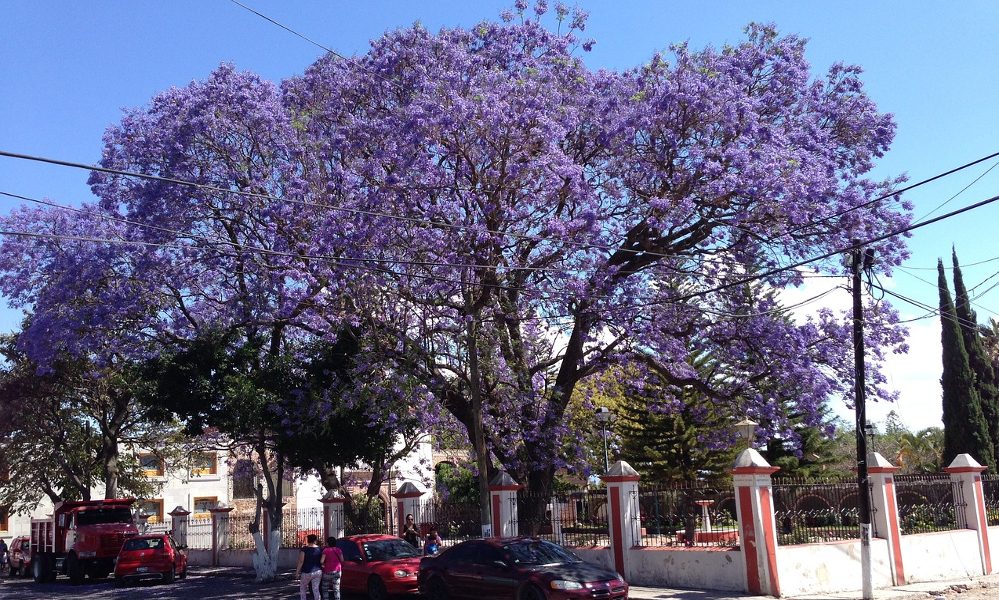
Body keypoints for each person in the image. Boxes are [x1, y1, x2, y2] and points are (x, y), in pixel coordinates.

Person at [296, 534, 323, 600]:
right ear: (315, 540)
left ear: (308, 540)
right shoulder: (320, 549)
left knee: (303, 589)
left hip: (306, 572)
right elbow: (322, 561)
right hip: (318, 571)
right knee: (316, 589)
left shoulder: (304, 549)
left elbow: (301, 561)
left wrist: (297, 572)